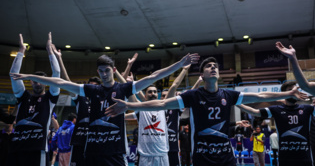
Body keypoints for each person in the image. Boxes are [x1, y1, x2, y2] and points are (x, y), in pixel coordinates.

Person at [105, 57, 307, 166]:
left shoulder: (229, 95)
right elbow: (161, 104)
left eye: (215, 66)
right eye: (209, 66)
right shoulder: (193, 96)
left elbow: (260, 98)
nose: (213, 68)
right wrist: (131, 106)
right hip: (202, 158)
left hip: (226, 158)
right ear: (202, 74)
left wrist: (288, 93)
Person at [10, 53, 200, 166]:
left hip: (115, 154)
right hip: (92, 153)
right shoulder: (92, 90)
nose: (103, 74)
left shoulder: (123, 88)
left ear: (113, 69)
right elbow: (61, 82)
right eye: (100, 71)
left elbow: (153, 77)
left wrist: (179, 64)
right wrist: (29, 75)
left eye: (107, 70)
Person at [239, 81, 315, 166]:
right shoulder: (276, 110)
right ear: (284, 93)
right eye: (290, 90)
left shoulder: (307, 109)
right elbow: (254, 111)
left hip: (305, 159)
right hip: (285, 160)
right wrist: (236, 102)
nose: (294, 92)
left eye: (295, 89)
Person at [8, 33, 60, 166]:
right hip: (17, 148)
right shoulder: (23, 97)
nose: (38, 83)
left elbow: (57, 74)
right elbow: (13, 75)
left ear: (45, 82)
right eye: (35, 81)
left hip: (38, 150)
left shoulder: (50, 98)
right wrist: (21, 51)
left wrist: (50, 52)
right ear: (30, 82)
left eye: (41, 81)